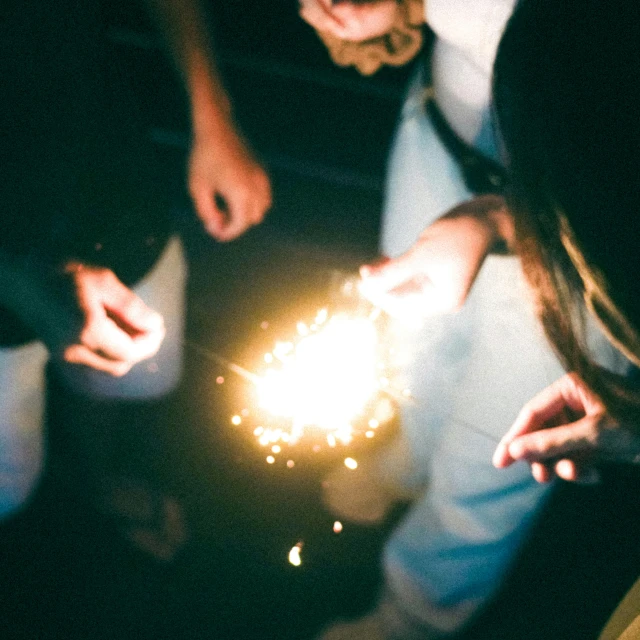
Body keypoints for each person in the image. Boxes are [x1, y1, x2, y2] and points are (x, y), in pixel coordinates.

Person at [301, 0, 633, 638]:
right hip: (445, 135)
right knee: (419, 340)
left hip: (587, 216)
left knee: (501, 433)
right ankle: (410, 454)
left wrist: (506, 220)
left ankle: (417, 609)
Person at [0, 0, 271, 556]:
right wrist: (18, 274)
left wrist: (211, 113)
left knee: (126, 375)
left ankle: (102, 480)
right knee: (9, 483)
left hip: (104, 178)